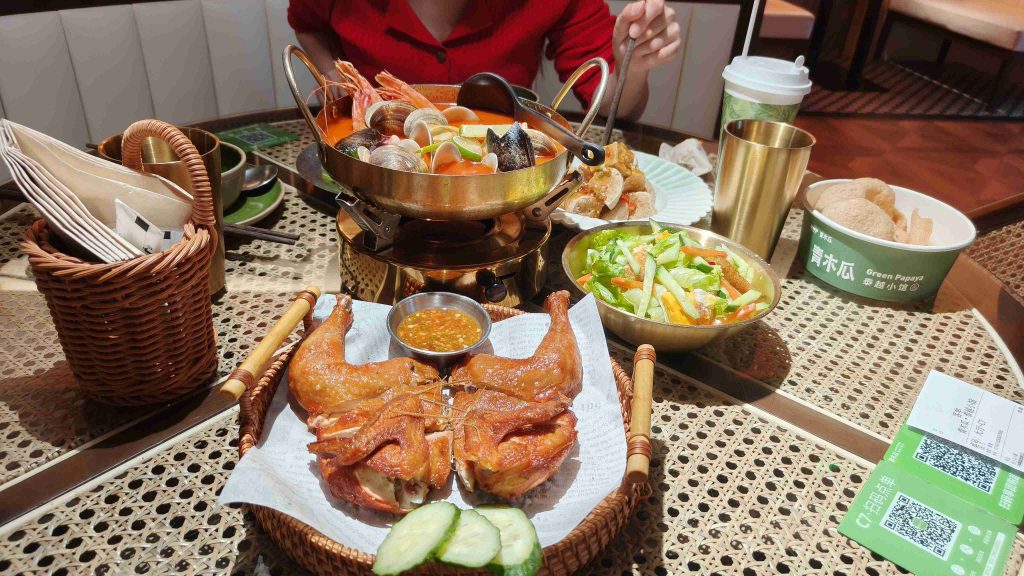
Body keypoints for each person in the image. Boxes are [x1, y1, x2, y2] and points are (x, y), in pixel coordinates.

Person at [288, 0, 680, 119]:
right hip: (367, 177)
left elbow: (612, 108)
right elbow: (308, 24)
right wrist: (330, 74)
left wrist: (632, 66)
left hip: (507, 194)